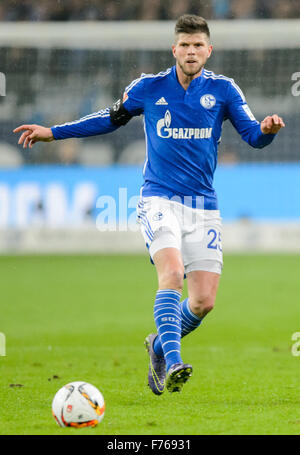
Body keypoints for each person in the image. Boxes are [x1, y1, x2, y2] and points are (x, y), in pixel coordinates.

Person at [14, 14, 285, 395]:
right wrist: (54, 133)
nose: (191, 51)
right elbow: (109, 119)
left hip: (203, 205)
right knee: (172, 274)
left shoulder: (224, 90)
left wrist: (268, 131)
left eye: (198, 45)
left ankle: (158, 344)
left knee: (204, 301)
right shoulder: (149, 87)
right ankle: (173, 362)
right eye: (184, 45)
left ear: (209, 50)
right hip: (158, 198)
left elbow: (254, 137)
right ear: (174, 49)